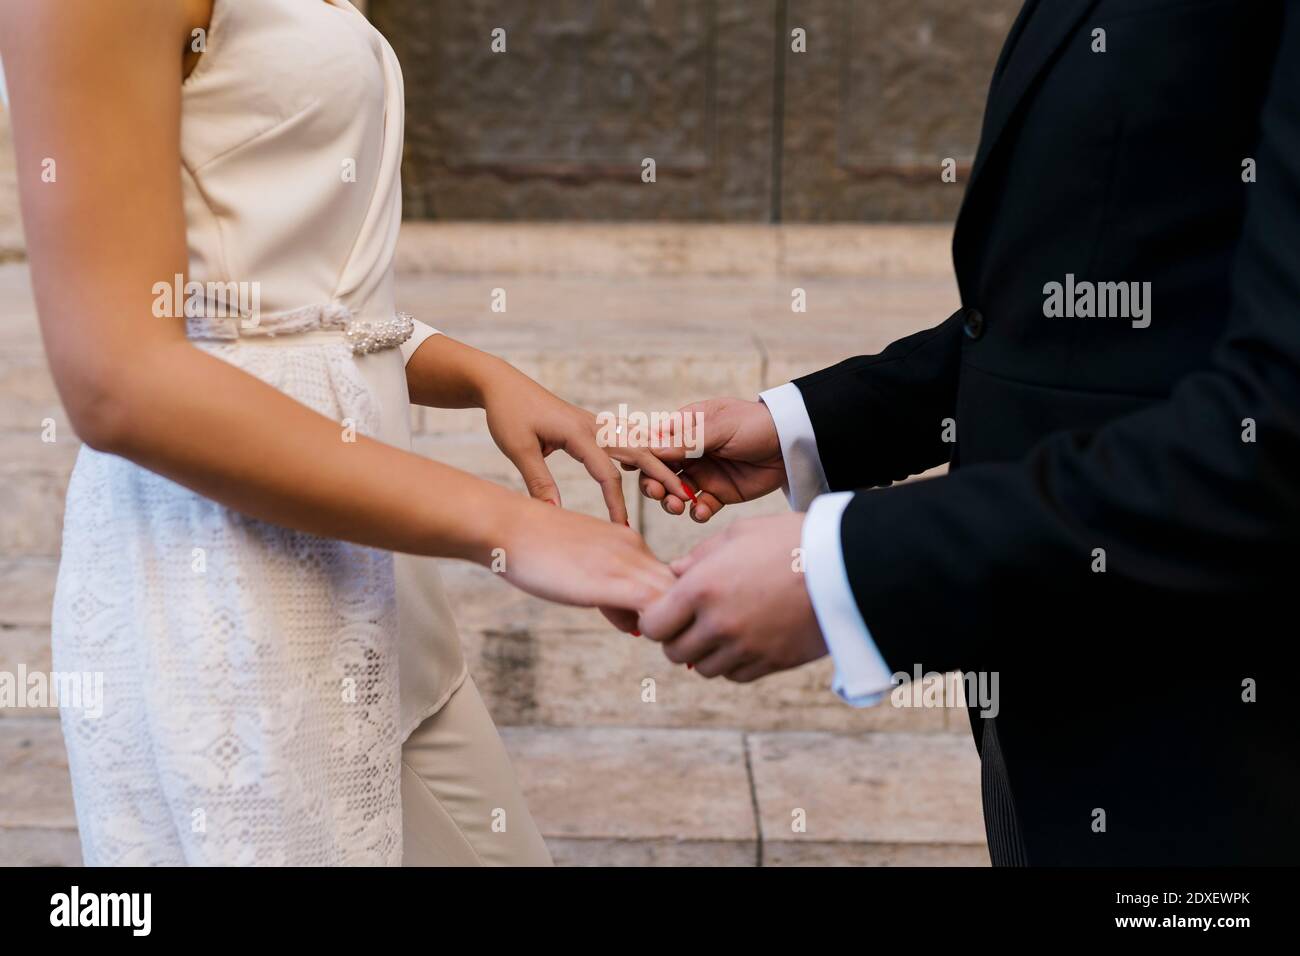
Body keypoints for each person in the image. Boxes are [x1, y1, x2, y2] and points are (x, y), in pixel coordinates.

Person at [0, 0, 687, 865]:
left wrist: (475, 373)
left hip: (371, 576)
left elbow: (277, 300)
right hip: (228, 585)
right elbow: (117, 382)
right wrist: (508, 525)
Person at [638, 0, 1300, 865]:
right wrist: (805, 424)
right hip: (1049, 712)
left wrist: (847, 570)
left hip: (1221, 753)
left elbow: (1273, 430)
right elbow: (1102, 308)